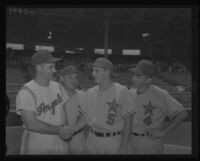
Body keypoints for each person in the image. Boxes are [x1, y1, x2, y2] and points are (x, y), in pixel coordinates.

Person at [62, 57, 136, 154]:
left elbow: (128, 121)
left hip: (113, 140)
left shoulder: (122, 91)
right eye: (93, 70)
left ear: (107, 72)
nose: (93, 74)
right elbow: (84, 118)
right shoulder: (90, 92)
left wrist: (124, 145)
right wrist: (71, 130)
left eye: (97, 71)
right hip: (92, 138)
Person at [15, 50, 72, 155]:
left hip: (59, 139)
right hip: (37, 140)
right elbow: (31, 124)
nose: (54, 70)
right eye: (50, 67)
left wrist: (66, 130)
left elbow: (63, 113)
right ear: (39, 67)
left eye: (54, 66)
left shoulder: (58, 86)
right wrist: (60, 130)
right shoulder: (27, 91)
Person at [128, 59, 188, 154]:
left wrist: (164, 131)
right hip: (130, 140)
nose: (134, 78)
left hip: (148, 141)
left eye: (139, 76)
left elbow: (182, 113)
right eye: (134, 75)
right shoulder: (131, 91)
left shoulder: (160, 94)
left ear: (149, 80)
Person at [58, 65, 88, 154]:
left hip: (78, 138)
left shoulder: (83, 95)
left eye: (75, 77)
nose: (74, 81)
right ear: (61, 78)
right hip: (59, 138)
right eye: (70, 77)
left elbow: (86, 118)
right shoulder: (55, 96)